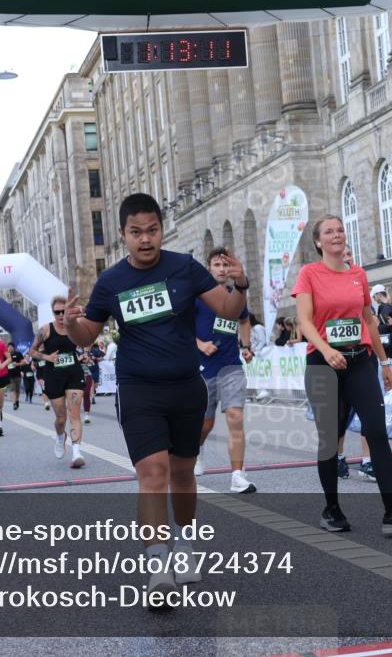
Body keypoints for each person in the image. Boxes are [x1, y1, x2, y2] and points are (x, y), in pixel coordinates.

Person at [63, 192, 251, 600]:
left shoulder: (184, 268)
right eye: (136, 233)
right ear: (122, 235)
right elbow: (87, 336)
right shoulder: (111, 282)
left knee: (183, 475)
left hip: (186, 387)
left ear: (161, 230)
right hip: (139, 390)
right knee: (152, 476)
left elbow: (229, 310)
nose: (145, 240)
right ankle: (158, 566)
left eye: (152, 231)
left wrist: (240, 283)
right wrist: (70, 324)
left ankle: (184, 546)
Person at [293, 214, 392, 535]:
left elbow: (369, 322)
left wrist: (385, 362)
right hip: (324, 365)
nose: (337, 235)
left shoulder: (358, 275)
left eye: (340, 230)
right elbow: (305, 322)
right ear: (318, 242)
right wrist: (325, 349)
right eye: (329, 232)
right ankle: (331, 509)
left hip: (360, 361)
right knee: (329, 439)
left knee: (376, 431)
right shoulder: (309, 273)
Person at [194, 247, 258, 493]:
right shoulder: (197, 296)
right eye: (217, 265)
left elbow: (244, 320)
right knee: (205, 425)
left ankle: (237, 475)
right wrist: (199, 344)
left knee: (235, 416)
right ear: (209, 268)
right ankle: (196, 451)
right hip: (203, 368)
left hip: (230, 365)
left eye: (225, 265)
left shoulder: (235, 295)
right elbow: (180, 327)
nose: (222, 269)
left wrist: (246, 345)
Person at [31, 296, 87, 468]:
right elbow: (32, 352)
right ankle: (60, 437)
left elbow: (87, 339)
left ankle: (76, 452)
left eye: (64, 311)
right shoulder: (45, 330)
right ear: (53, 312)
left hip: (73, 374)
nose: (61, 315)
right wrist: (48, 357)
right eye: (58, 312)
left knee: (75, 413)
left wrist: (84, 354)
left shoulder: (75, 327)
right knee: (61, 418)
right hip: (54, 376)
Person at [6, 342, 24, 410]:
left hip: (17, 374)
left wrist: (17, 364)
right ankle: (14, 404)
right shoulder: (6, 355)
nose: (10, 348)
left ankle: (17, 400)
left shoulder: (18, 354)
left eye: (11, 347)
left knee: (17, 390)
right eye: (9, 347)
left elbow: (23, 362)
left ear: (14, 347)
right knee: (12, 389)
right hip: (9, 375)